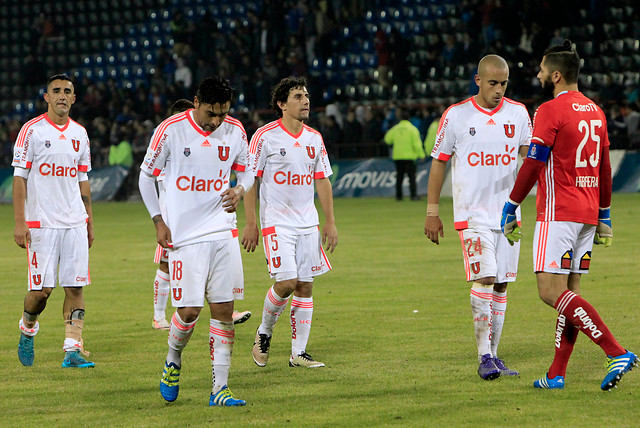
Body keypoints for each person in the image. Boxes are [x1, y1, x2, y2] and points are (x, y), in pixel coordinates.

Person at [501, 40, 638, 391]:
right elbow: (605, 167)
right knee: (569, 295)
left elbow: (533, 163)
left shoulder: (549, 110)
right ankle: (556, 374)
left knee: (550, 292)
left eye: (543, 70)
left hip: (558, 212)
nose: (538, 74)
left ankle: (616, 351)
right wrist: (604, 214)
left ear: (557, 76)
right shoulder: (596, 110)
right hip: (587, 214)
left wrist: (512, 205)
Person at [139, 76, 253, 406]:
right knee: (188, 311)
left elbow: (246, 170)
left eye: (223, 113)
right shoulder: (171, 129)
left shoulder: (235, 130)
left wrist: (239, 188)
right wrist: (158, 221)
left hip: (222, 230)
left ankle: (220, 388)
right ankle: (173, 358)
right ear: (197, 101)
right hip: (184, 235)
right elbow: (146, 177)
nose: (217, 120)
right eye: (211, 113)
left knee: (223, 310)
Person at [424, 55, 532, 380]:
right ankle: (483, 356)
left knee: (501, 284)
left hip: (509, 217)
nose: (498, 90)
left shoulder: (518, 113)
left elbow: (529, 161)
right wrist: (432, 211)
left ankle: (495, 355)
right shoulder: (457, 116)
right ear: (478, 80)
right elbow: (439, 162)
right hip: (472, 216)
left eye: (503, 84)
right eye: (492, 83)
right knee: (484, 278)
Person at [242, 76, 338, 368]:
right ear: (282, 104)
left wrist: (329, 222)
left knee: (305, 287)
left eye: (306, 95)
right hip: (277, 223)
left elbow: (322, 180)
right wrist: (250, 223)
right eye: (298, 96)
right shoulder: (265, 136)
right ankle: (264, 331)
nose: (305, 100)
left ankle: (299, 353)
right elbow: (250, 179)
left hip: (307, 224)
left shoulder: (314, 138)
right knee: (286, 282)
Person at [13, 74, 95, 369]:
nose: (62, 95)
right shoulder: (31, 131)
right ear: (46, 97)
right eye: (56, 91)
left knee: (75, 287)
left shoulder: (80, 134)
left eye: (68, 91)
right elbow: (19, 178)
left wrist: (88, 221)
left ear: (74, 98)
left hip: (74, 221)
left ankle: (72, 350)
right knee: (41, 293)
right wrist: (20, 221)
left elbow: (83, 179)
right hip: (42, 224)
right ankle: (27, 327)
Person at [149, 99, 251, 330]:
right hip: (175, 219)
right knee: (165, 265)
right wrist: (161, 220)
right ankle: (158, 316)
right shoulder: (168, 141)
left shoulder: (211, 140)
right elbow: (154, 180)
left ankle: (225, 308)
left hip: (211, 222)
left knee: (213, 263)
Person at [384, 107, 426, 201]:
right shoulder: (412, 129)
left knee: (399, 177)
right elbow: (417, 144)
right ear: (409, 119)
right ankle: (413, 195)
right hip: (410, 157)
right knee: (411, 178)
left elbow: (387, 139)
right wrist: (421, 155)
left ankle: (399, 196)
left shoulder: (395, 129)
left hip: (398, 157)